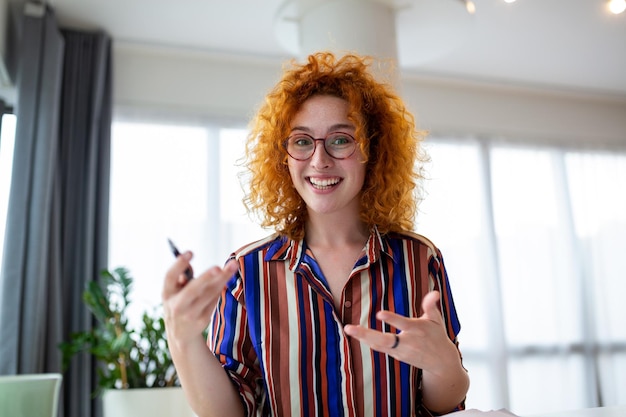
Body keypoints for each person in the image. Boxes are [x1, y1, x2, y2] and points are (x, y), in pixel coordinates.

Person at [162, 51, 469, 417]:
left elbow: (446, 404)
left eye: (340, 140)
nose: (320, 160)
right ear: (284, 157)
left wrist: (443, 365)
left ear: (374, 149)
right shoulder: (247, 271)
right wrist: (182, 340)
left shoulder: (420, 260)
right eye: (303, 141)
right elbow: (229, 413)